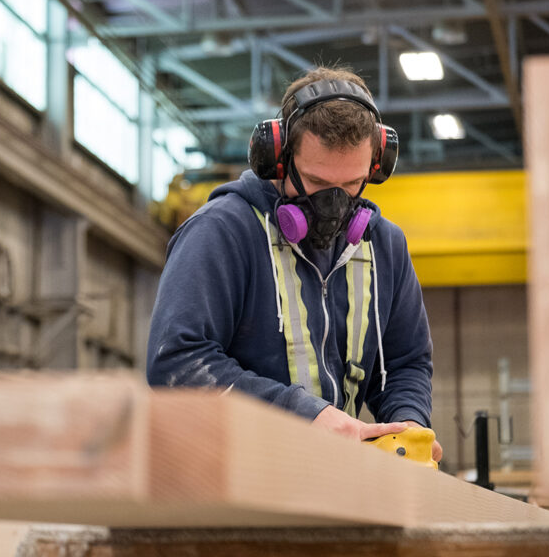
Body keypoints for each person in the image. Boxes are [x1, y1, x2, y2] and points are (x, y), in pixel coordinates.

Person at [147, 66, 440, 462]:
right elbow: (177, 364)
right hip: (229, 479)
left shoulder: (384, 246)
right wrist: (303, 414)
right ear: (278, 160)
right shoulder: (220, 232)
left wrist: (407, 425)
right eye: (317, 183)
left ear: (375, 167)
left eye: (351, 185)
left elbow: (405, 363)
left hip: (328, 481)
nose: (335, 207)